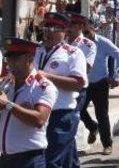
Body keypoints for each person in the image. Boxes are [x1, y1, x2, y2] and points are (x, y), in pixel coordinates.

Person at [34, 12, 87, 168]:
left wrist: (47, 77)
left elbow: (78, 83)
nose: (49, 31)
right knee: (67, 161)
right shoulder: (36, 51)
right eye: (47, 27)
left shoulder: (73, 53)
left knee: (51, 162)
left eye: (55, 28)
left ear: (65, 31)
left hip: (61, 114)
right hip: (39, 112)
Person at [0, 38, 57, 167]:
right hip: (5, 158)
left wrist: (9, 105)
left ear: (30, 59)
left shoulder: (43, 86)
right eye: (9, 59)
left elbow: (39, 120)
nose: (10, 64)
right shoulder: (6, 83)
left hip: (29, 159)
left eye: (16, 59)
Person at [79, 18, 119, 155]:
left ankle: (107, 144)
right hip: (84, 83)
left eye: (87, 32)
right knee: (78, 109)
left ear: (93, 29)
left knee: (102, 114)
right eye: (83, 33)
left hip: (100, 83)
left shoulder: (103, 42)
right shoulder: (79, 43)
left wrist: (116, 75)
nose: (86, 36)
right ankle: (93, 127)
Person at [64, 12, 97, 167]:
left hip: (77, 90)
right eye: (67, 25)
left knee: (69, 128)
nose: (67, 28)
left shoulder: (88, 45)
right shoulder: (60, 43)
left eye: (71, 25)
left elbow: (86, 69)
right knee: (64, 131)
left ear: (80, 26)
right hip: (59, 90)